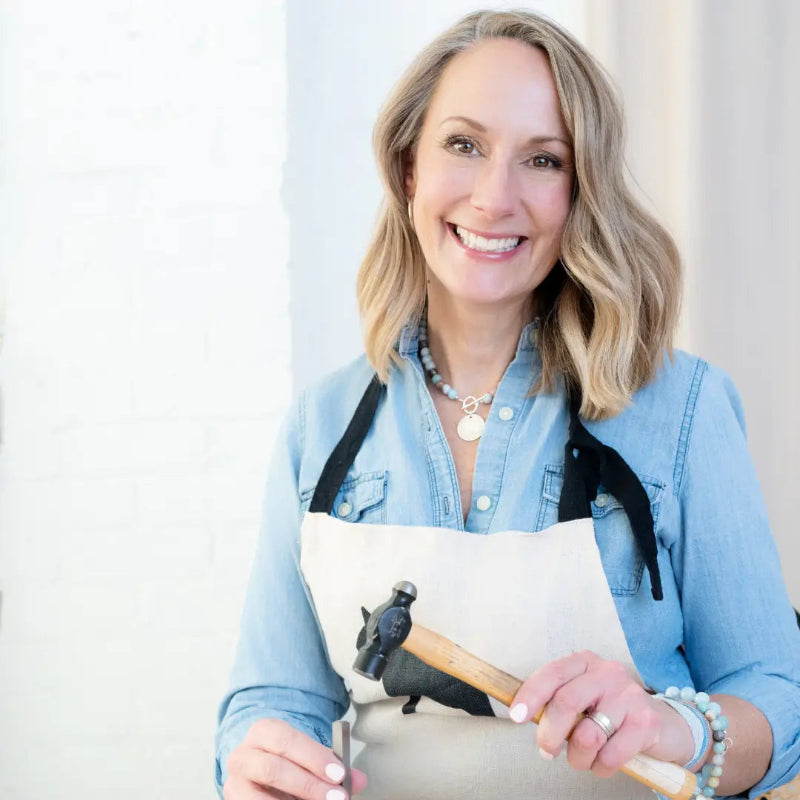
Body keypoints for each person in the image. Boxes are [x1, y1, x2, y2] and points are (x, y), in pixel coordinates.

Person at [215, 9, 800, 800]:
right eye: (464, 145)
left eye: (543, 160)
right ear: (409, 168)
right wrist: (257, 763)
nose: (495, 197)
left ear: (579, 192)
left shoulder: (681, 408)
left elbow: (778, 697)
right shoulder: (317, 427)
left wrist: (679, 728)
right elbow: (272, 700)